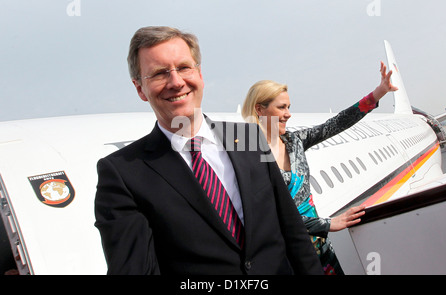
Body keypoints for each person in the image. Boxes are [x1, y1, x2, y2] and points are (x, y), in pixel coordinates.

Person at [94, 26, 323, 275]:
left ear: (199, 74)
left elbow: (292, 231)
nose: (176, 82)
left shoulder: (249, 137)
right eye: (159, 73)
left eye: (183, 67)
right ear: (140, 89)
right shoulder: (122, 174)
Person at [241, 63, 397, 274]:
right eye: (281, 107)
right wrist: (327, 223)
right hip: (289, 255)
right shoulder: (249, 158)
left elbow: (336, 124)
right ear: (259, 109)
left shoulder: (294, 141)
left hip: (320, 246)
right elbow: (274, 216)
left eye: (289, 107)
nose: (288, 114)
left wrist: (378, 93)